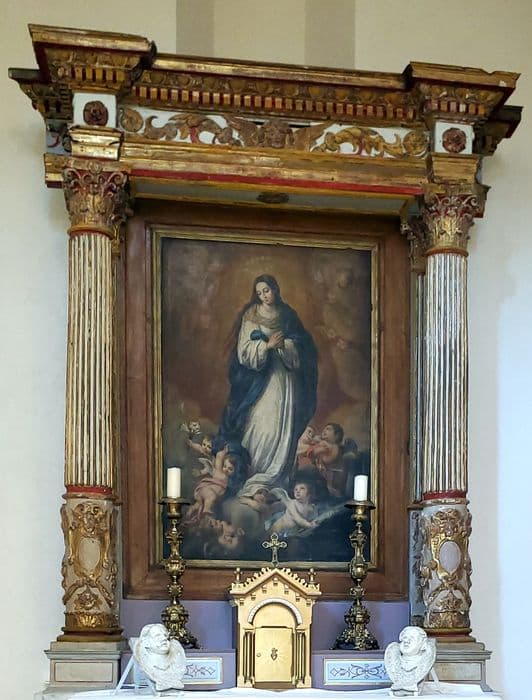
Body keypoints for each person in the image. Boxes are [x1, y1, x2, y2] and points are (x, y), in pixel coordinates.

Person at [217, 274, 318, 497]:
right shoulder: (251, 315)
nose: (264, 296)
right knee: (262, 423)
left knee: (281, 425)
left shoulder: (288, 315)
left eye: (267, 290)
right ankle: (252, 473)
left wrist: (285, 345)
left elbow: (302, 346)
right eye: (259, 292)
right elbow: (244, 351)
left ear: (275, 289)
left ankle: (275, 479)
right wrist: (266, 347)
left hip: (285, 378)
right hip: (260, 379)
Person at [186, 445, 236, 522]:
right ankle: (207, 510)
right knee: (211, 497)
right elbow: (219, 459)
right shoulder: (219, 472)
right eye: (225, 466)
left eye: (230, 469)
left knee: (199, 504)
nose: (226, 469)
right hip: (207, 490)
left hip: (206, 492)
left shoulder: (230, 480)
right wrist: (224, 452)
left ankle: (192, 508)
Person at [133, 623, 186, 691]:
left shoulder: (176, 660)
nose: (164, 638)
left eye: (165, 635)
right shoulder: (147, 664)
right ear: (146, 642)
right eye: (157, 636)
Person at [384, 626, 436, 694]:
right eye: (405, 638)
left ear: (423, 645)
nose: (406, 641)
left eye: (412, 638)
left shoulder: (424, 663)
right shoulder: (393, 660)